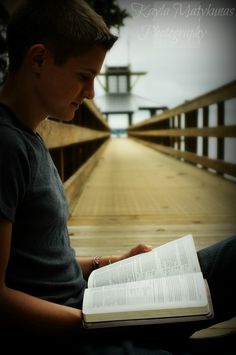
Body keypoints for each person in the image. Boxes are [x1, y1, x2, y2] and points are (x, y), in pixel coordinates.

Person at [0, 0, 235, 353]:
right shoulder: (6, 146)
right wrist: (93, 325)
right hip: (76, 328)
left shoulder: (30, 137)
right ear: (38, 60)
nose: (92, 93)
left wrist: (111, 263)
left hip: (95, 305)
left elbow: (43, 264)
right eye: (84, 76)